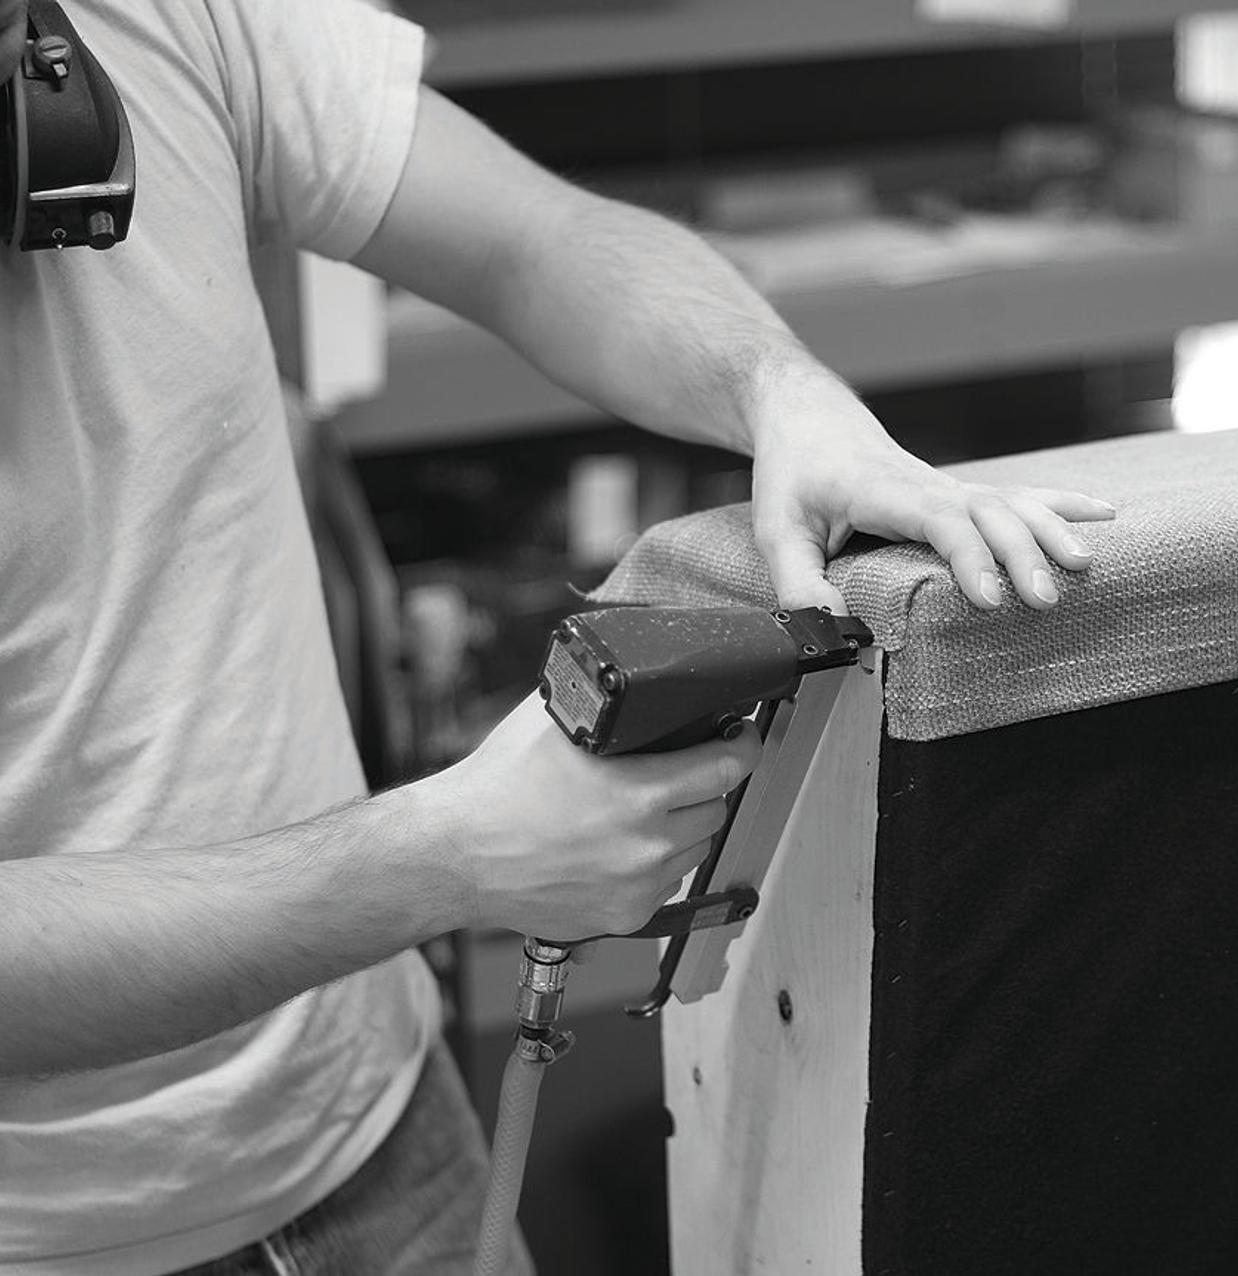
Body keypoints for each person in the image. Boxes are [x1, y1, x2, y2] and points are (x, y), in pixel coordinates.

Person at [0, 2, 1113, 1271]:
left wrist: (779, 390)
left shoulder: (145, 19)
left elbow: (537, 241)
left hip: (377, 1131)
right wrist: (446, 855)